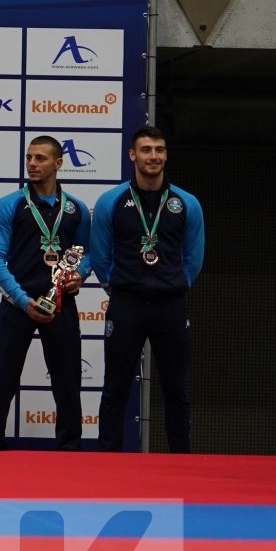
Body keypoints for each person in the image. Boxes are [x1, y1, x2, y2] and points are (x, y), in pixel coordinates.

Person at [91, 125, 205, 453]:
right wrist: (122, 286)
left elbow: (193, 258)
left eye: (159, 150)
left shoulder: (187, 203)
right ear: (132, 155)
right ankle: (108, 461)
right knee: (115, 388)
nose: (153, 156)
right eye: (146, 150)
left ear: (165, 155)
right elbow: (100, 256)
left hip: (170, 305)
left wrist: (171, 284)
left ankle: (181, 461)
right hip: (126, 303)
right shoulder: (111, 201)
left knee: (177, 390)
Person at [0, 136, 93, 450]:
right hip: (18, 304)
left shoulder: (76, 209)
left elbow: (87, 252)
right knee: (1, 381)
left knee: (68, 384)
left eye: (41, 158)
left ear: (58, 163)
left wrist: (79, 275)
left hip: (61, 305)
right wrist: (19, 298)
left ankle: (70, 450)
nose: (32, 163)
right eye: (29, 157)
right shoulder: (10, 205)